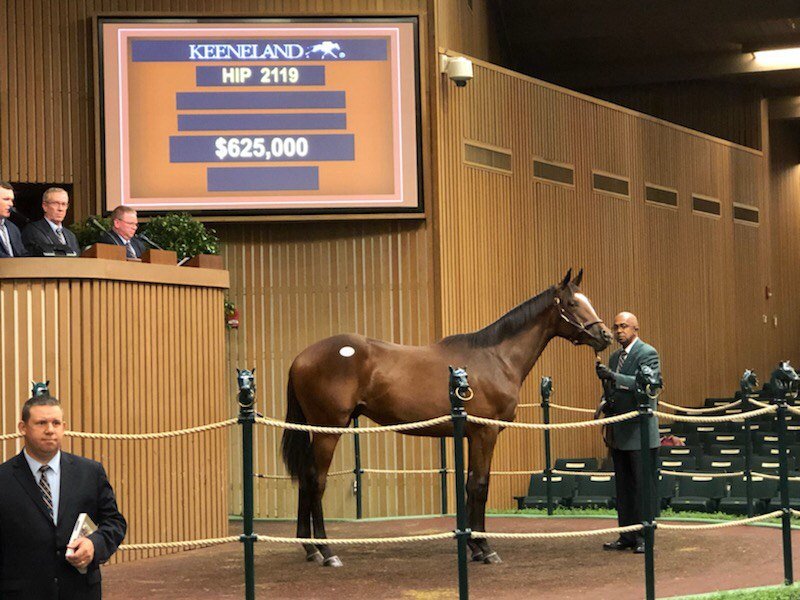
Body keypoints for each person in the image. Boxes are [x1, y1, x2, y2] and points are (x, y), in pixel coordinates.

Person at [0, 394, 127, 599]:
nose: (50, 430)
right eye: (41, 423)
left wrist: (94, 545)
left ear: (64, 426)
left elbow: (114, 522)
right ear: (22, 427)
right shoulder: (3, 479)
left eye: (56, 423)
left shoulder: (90, 472)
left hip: (81, 591)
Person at [595, 311, 660, 554]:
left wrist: (614, 377)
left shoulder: (648, 353)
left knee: (643, 487)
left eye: (624, 326)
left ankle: (645, 536)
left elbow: (647, 385)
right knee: (623, 487)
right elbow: (615, 390)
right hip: (620, 432)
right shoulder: (613, 357)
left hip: (640, 432)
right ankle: (627, 534)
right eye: (616, 327)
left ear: (636, 328)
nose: (619, 330)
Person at [22, 187, 81, 256]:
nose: (60, 209)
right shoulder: (33, 231)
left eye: (64, 204)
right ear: (45, 206)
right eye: (56, 203)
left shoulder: (71, 236)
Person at [0, 181, 27, 258]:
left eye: (12, 200)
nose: (11, 204)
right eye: (6, 199)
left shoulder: (13, 228)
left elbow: (22, 253)